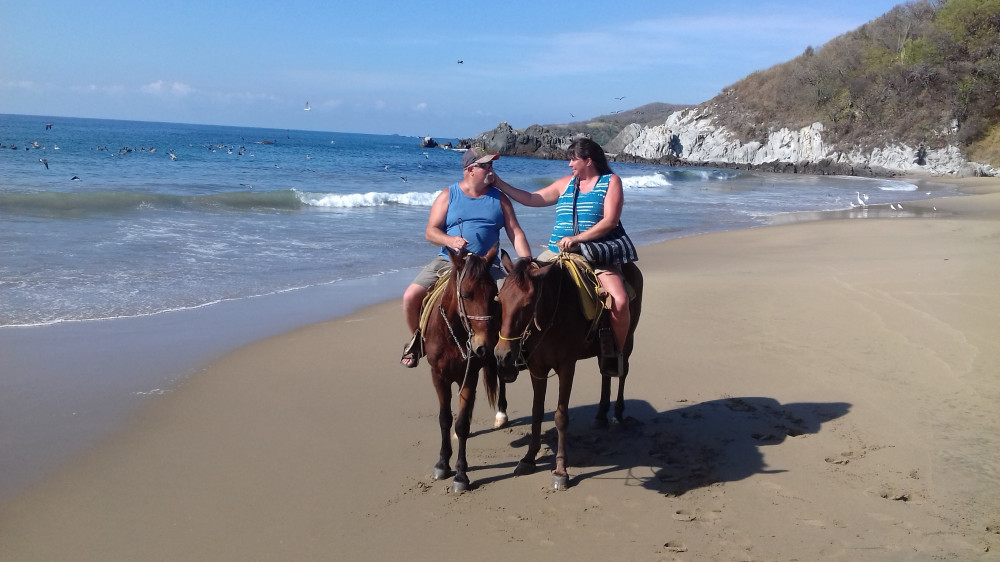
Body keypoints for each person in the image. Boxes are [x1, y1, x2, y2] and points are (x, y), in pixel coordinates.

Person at [491, 138, 631, 376]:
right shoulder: (567, 183)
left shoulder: (610, 182)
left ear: (588, 160)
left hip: (594, 254)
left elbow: (610, 221)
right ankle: (520, 349)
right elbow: (532, 199)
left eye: (573, 159)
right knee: (517, 289)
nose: (569, 164)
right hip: (556, 253)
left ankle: (615, 353)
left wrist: (578, 239)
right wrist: (499, 183)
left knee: (620, 300)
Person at [400, 147, 533, 368]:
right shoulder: (448, 195)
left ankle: (516, 349)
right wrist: (450, 241)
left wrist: (526, 260)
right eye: (486, 166)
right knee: (410, 297)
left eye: (492, 165)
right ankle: (417, 341)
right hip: (450, 261)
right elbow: (431, 231)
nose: (491, 170)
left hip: (488, 265)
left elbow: (515, 232)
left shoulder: (500, 199)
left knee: (516, 299)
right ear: (470, 169)